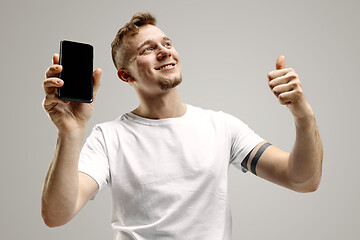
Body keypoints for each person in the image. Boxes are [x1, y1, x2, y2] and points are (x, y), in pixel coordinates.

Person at [41, 12, 323, 240]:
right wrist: (70, 132)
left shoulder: (222, 127)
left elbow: (303, 179)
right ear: (126, 75)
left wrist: (303, 114)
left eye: (166, 43)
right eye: (148, 49)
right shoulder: (109, 137)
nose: (163, 51)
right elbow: (56, 215)